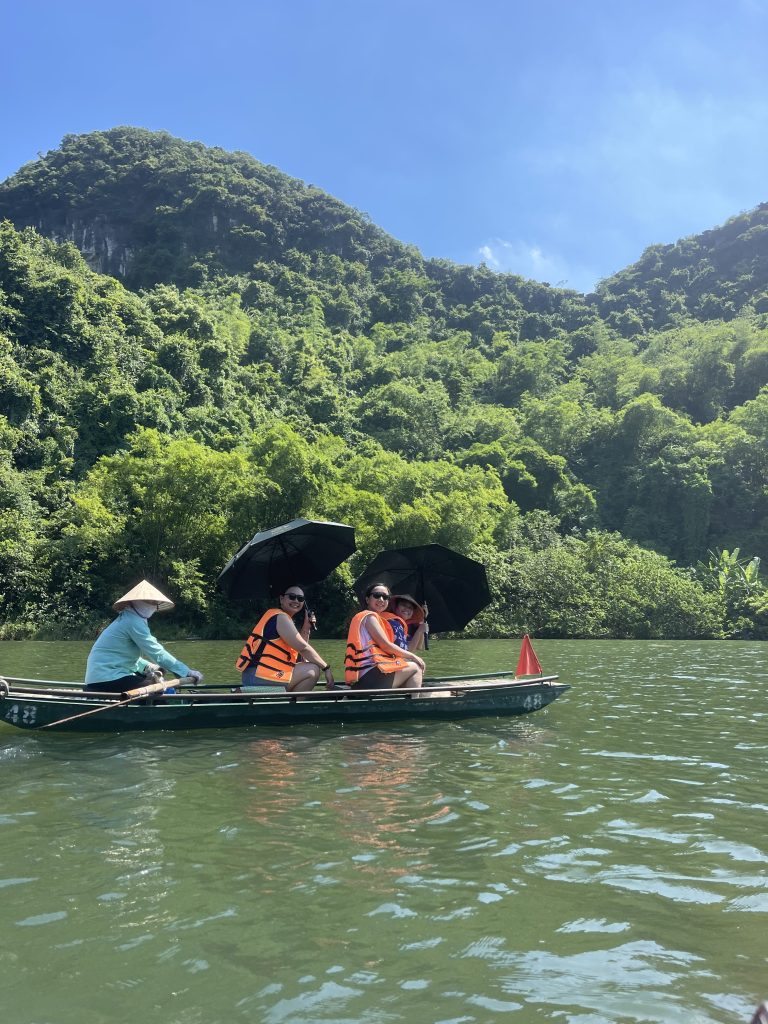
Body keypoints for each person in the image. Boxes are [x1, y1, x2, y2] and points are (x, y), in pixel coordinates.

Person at [85, 580, 203, 693]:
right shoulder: (132, 621)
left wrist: (148, 667)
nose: (154, 606)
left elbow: (123, 656)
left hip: (101, 677)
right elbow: (156, 652)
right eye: (149, 602)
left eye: (155, 603)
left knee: (154, 681)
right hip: (107, 677)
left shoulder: (128, 618)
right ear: (135, 602)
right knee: (158, 688)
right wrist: (185, 671)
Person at [236, 585, 334, 692]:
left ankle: (290, 703)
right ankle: (292, 708)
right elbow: (303, 648)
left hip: (257, 675)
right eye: (292, 597)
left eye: (300, 598)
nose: (296, 600)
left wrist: (307, 626)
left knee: (307, 666)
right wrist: (326, 668)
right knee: (312, 670)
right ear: (282, 599)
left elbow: (301, 655)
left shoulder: (280, 617)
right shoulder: (281, 618)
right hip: (259, 675)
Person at [345, 584, 425, 690]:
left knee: (411, 668)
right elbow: (386, 645)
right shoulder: (369, 617)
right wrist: (413, 656)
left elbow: (416, 648)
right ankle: (414, 704)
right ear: (367, 599)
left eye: (385, 597)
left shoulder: (378, 619)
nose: (381, 599)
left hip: (366, 677)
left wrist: (421, 628)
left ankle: (407, 703)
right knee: (416, 667)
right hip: (367, 678)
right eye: (377, 595)